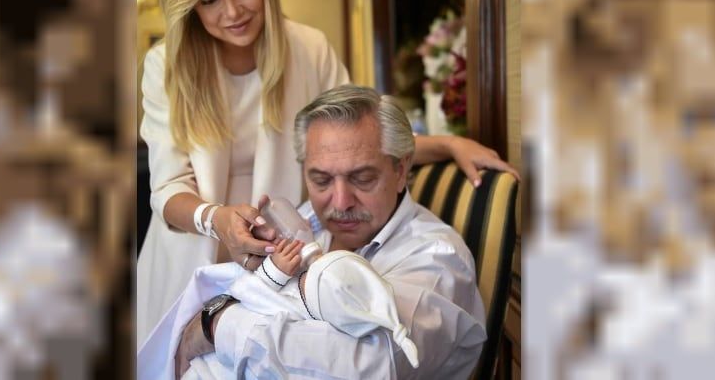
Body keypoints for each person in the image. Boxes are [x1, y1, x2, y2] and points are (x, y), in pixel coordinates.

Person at [137, 0, 517, 346]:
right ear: (189, 5)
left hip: (279, 260)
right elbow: (166, 190)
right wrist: (216, 219)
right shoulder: (165, 65)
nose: (232, 11)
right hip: (191, 253)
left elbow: (362, 138)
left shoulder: (308, 48)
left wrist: (449, 145)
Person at [138, 85, 487, 380]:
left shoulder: (436, 258)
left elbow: (368, 367)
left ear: (400, 169)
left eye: (362, 178)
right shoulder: (307, 221)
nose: (340, 201)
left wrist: (216, 325)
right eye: (320, 180)